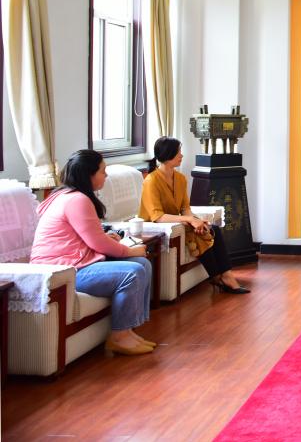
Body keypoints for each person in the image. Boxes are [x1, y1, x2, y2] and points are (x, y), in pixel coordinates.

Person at [31, 150, 156, 356]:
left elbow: (86, 236)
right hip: (64, 272)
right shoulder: (76, 199)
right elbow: (97, 242)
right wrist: (129, 250)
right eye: (102, 171)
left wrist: (109, 239)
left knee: (143, 264)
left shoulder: (69, 195)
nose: (106, 175)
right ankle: (119, 337)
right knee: (133, 272)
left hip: (75, 263)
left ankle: (129, 329)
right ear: (88, 174)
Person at [139, 137, 249, 294]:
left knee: (211, 229)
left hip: (176, 221)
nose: (181, 155)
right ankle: (219, 277)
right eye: (178, 152)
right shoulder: (151, 181)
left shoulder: (180, 178)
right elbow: (158, 217)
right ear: (168, 155)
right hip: (157, 226)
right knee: (200, 230)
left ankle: (226, 275)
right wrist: (190, 220)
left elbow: (185, 208)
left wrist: (195, 221)